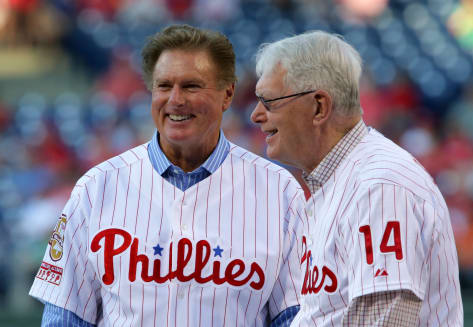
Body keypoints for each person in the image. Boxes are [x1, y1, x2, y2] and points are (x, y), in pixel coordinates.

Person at [30, 24, 306, 326]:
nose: (175, 99)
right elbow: (64, 318)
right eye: (163, 86)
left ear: (227, 94)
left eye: (191, 86)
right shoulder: (96, 188)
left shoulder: (279, 191)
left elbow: (294, 317)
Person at [250, 31, 463, 326]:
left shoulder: (379, 187)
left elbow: (386, 322)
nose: (256, 115)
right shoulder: (338, 180)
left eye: (269, 101)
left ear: (318, 107)